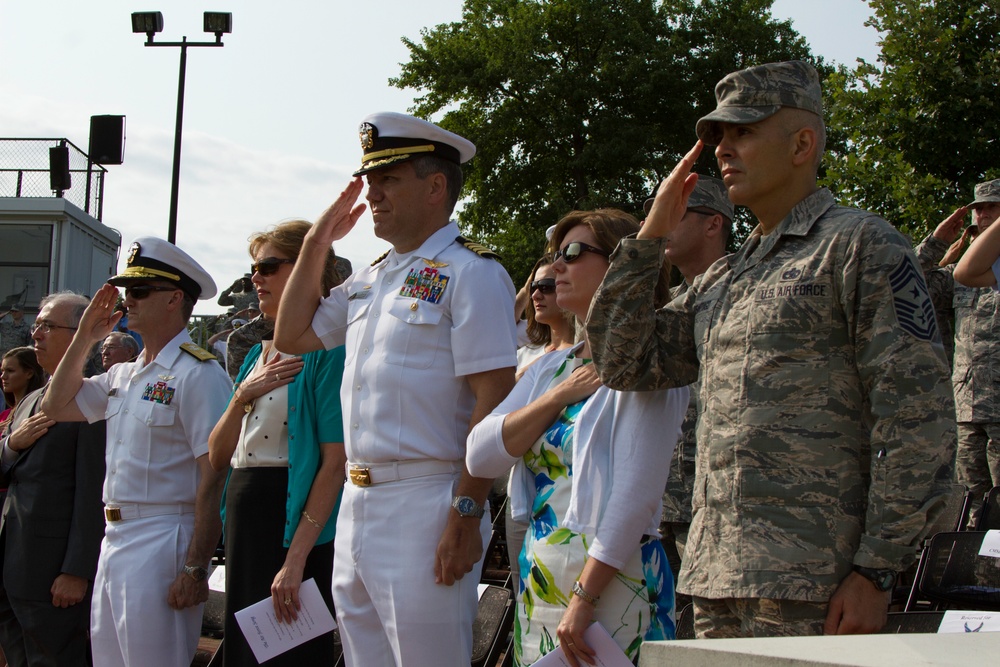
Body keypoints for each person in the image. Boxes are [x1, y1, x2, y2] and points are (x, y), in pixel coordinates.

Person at [587, 60, 955, 638]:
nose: (723, 151)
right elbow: (622, 360)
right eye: (720, 137)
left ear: (802, 143)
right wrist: (649, 237)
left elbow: (916, 417)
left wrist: (877, 569)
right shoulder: (726, 277)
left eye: (745, 132)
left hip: (817, 580)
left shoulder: (860, 246)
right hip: (715, 577)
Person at [274, 112, 517, 666]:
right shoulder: (372, 276)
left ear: (436, 187)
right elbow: (292, 335)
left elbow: (493, 400)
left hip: (427, 499)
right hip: (358, 502)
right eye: (370, 180)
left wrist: (465, 513)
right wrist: (317, 242)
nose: (373, 194)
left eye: (389, 180)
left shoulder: (471, 272)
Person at [467, 209, 686, 666]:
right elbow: (480, 455)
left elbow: (636, 494)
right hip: (541, 573)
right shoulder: (552, 368)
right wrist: (555, 398)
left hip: (613, 579)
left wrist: (584, 597)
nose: (556, 267)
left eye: (573, 252)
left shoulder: (653, 360)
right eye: (554, 255)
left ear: (622, 266)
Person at [38, 237, 233, 667]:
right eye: (127, 291)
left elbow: (214, 472)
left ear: (174, 299)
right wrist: (85, 338)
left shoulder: (197, 373)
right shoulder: (123, 374)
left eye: (140, 292)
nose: (128, 301)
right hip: (115, 537)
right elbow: (54, 405)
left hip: (165, 535)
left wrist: (196, 566)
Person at [208, 220, 346, 666]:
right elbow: (217, 455)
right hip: (246, 514)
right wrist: (242, 396)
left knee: (291, 654)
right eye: (254, 268)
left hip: (291, 518)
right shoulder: (255, 354)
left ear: (310, 269)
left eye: (268, 266)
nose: (256, 278)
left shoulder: (329, 350)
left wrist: (296, 558)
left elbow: (333, 464)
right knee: (247, 653)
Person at [0, 294, 106, 667]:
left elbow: (93, 488)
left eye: (48, 326)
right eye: (37, 325)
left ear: (81, 335)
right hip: (13, 561)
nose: (37, 333)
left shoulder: (89, 399)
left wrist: (76, 569)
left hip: (52, 572)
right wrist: (12, 443)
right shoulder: (30, 401)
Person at [648, 176, 732, 596]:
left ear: (713, 224)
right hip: (662, 500)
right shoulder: (667, 306)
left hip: (717, 507)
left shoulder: (742, 293)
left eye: (677, 215)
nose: (663, 226)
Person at [914, 178, 1000, 522]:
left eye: (992, 206)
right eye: (978, 208)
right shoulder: (957, 276)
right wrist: (936, 243)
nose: (982, 214)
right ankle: (979, 574)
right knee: (974, 509)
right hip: (967, 407)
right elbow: (906, 282)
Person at [516, 255, 576, 379]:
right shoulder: (523, 354)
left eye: (546, 286)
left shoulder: (586, 354)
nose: (535, 296)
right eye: (533, 288)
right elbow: (499, 331)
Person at [0, 348, 44, 426]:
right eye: (2, 371)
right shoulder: (4, 415)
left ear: (29, 373)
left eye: (10, 371)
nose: (3, 376)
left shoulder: (38, 413)